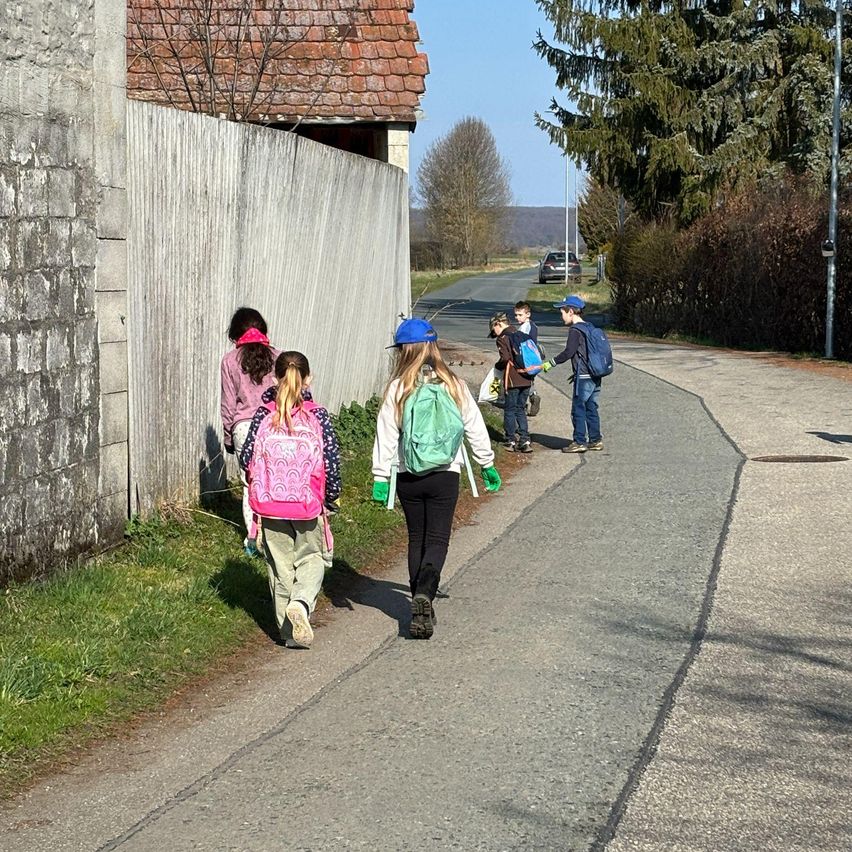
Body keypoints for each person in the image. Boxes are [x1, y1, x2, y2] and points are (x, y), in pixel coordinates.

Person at [371, 318, 501, 639]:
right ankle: (425, 594)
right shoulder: (454, 384)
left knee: (416, 537)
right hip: (446, 472)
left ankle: (419, 598)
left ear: (404, 351)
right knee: (438, 539)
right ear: (433, 346)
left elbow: (386, 435)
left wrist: (380, 476)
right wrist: (486, 464)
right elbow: (474, 426)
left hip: (409, 473)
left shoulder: (398, 388)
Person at [239, 351, 341, 648]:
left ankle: (288, 633)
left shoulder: (263, 414)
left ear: (274, 378)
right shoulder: (317, 415)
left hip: (270, 503)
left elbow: (247, 459)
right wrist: (331, 496)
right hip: (308, 503)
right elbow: (330, 461)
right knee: (311, 558)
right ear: (308, 379)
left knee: (280, 566)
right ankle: (301, 603)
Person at [220, 307, 281, 556]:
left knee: (251, 484)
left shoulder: (229, 361)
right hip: (274, 425)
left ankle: (254, 541)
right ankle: (278, 536)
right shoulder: (279, 357)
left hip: (244, 428)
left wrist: (228, 437)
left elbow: (228, 404)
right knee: (276, 480)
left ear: (235, 334)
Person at [541, 295, 603, 453]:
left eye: (562, 312)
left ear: (570, 311)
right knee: (591, 407)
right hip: (595, 374)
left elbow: (569, 352)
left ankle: (579, 441)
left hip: (583, 375)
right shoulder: (589, 327)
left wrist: (551, 363)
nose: (561, 316)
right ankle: (595, 440)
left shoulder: (575, 330)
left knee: (578, 409)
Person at [489, 311, 533, 453]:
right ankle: (525, 440)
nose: (494, 333)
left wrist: (497, 367)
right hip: (527, 377)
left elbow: (505, 358)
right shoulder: (521, 334)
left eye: (493, 330)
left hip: (513, 379)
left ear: (498, 324)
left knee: (509, 409)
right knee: (521, 409)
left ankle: (510, 440)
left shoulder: (502, 338)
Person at [514, 300, 542, 418]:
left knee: (524, 380)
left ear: (528, 314)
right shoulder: (532, 326)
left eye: (520, 315)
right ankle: (533, 395)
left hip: (527, 358)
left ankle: (524, 403)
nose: (517, 317)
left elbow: (524, 344)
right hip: (533, 358)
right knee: (530, 380)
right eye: (516, 315)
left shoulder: (525, 328)